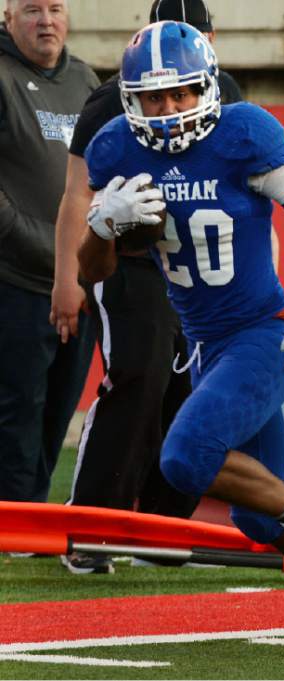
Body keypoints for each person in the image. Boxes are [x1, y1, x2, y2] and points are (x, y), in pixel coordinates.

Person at [77, 21, 284, 657]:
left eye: (180, 93)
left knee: (184, 458)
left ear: (204, 88)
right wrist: (101, 226)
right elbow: (90, 272)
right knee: (259, 519)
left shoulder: (242, 134)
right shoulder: (116, 150)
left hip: (267, 333)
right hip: (206, 345)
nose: (168, 109)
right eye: (153, 97)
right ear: (129, 99)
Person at [51, 0, 244, 576]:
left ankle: (162, 522)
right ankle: (91, 525)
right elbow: (76, 194)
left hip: (195, 260)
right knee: (140, 371)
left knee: (193, 389)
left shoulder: (228, 93)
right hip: (128, 255)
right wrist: (68, 277)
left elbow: (250, 190)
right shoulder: (112, 101)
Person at [0, 0, 99, 503]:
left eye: (55, 8)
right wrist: (47, 248)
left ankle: (34, 523)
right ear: (7, 16)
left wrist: (84, 259)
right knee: (15, 414)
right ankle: (13, 528)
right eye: (32, 9)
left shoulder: (85, 80)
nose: (46, 21)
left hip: (79, 285)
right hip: (14, 282)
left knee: (58, 412)